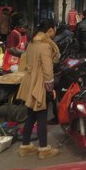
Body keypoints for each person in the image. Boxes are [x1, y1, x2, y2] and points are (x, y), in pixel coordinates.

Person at [16, 19, 60, 159]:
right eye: (54, 29)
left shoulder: (32, 43)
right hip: (40, 83)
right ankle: (43, 149)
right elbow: (48, 70)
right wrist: (50, 88)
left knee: (31, 115)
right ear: (50, 30)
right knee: (41, 116)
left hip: (29, 81)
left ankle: (25, 146)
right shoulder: (45, 46)